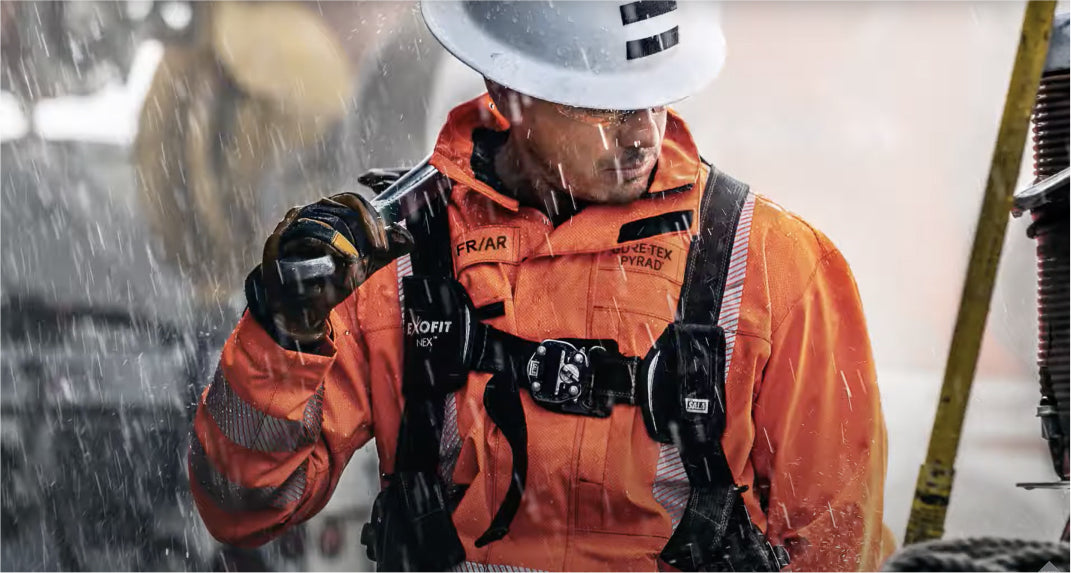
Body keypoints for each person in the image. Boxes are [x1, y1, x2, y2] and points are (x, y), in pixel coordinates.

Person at [189, 2, 894, 570]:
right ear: (508, 93)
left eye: (654, 96)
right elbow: (244, 508)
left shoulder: (773, 263)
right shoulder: (396, 258)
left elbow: (835, 546)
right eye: (601, 105)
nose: (640, 133)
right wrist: (284, 335)